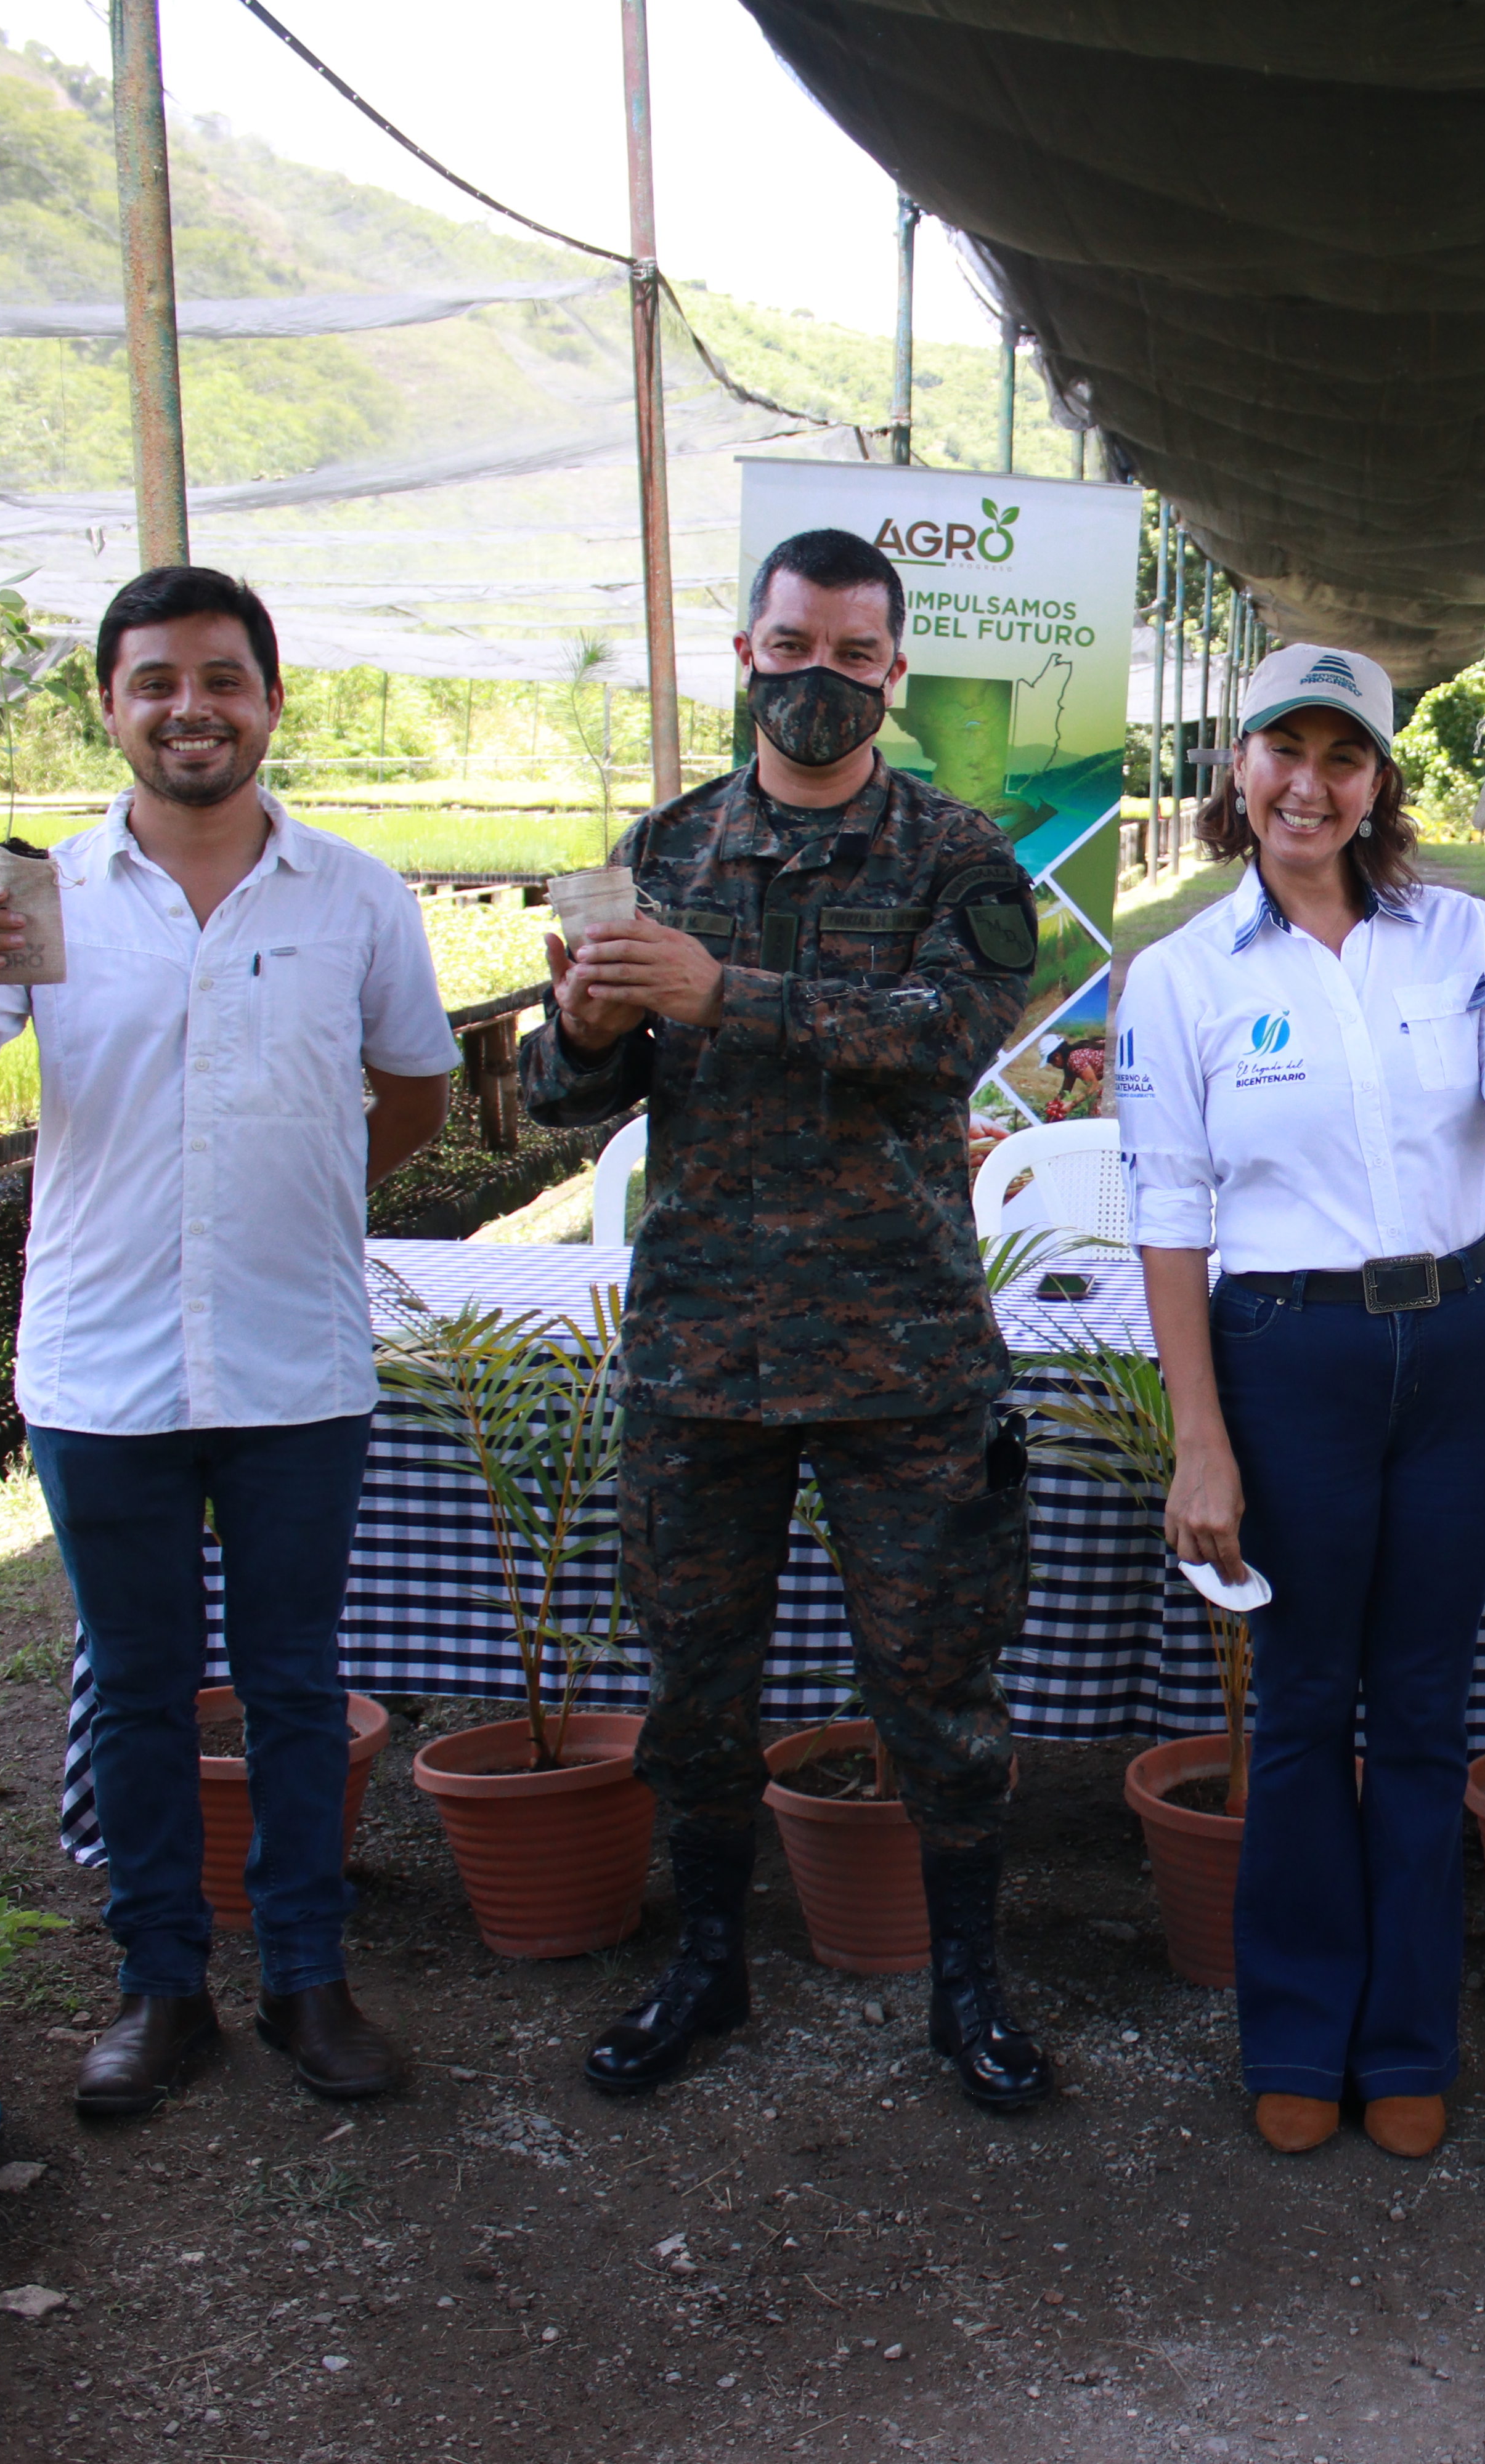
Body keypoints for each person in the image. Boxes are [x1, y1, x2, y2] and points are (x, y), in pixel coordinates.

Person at [0, 565, 454, 2114]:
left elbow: (412, 1096)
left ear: (269, 697)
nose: (191, 707)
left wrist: (290, 1191)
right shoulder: (40, 900)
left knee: (296, 1682)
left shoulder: (353, 895)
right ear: (111, 706)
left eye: (222, 678)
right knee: (134, 1684)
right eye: (155, 682)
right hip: (103, 1367)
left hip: (293, 1363)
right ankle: (160, 1984)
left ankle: (308, 1983)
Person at [519, 528, 1054, 2109]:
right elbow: (571, 1100)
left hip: (903, 1356)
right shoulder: (664, 847)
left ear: (895, 672)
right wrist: (583, 1020)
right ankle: (709, 1964)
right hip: (703, 1352)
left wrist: (718, 991)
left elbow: (941, 1038)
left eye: (851, 655)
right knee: (694, 1691)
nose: (818, 678)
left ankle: (969, 1987)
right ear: (746, 651)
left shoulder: (964, 856)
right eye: (791, 646)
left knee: (939, 1686)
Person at [1115, 642, 1485, 2160]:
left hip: (1462, 1345)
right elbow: (1168, 1210)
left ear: (1380, 780)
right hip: (1289, 1361)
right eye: (1283, 752)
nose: (1310, 783)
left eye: (1344, 756)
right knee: (1306, 1706)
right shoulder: (1185, 976)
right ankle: (1297, 2032)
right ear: (1238, 771)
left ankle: (1406, 2042)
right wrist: (1203, 1435)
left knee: (1427, 1708)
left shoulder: (1454, 931)